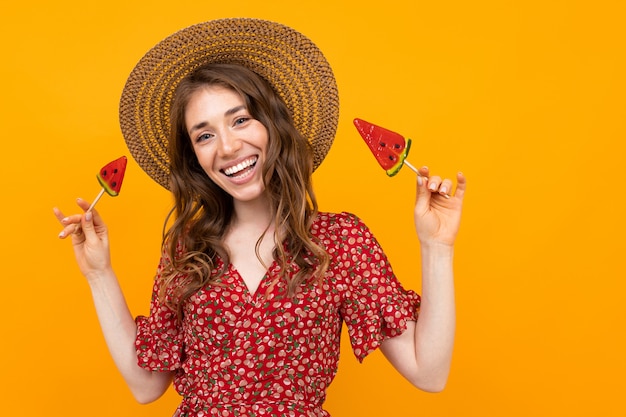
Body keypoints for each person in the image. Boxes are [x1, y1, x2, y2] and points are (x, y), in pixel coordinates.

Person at [54, 18, 466, 417]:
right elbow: (146, 387)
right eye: (205, 134)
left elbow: (428, 373)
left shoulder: (339, 241)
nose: (228, 146)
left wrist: (437, 247)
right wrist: (98, 273)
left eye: (240, 119)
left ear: (272, 124)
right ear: (195, 157)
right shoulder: (187, 248)